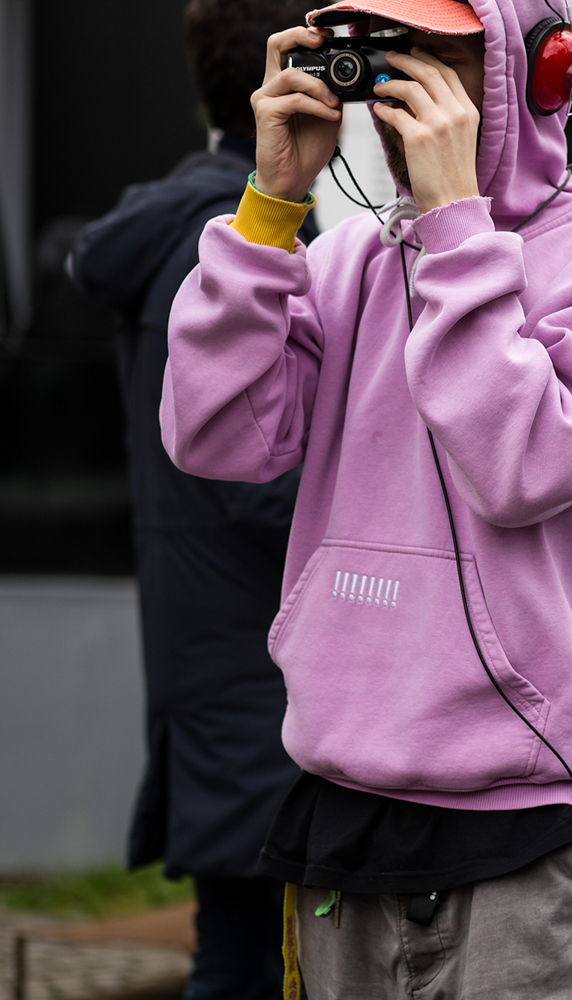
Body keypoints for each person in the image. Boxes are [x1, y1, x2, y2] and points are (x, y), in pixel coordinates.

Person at [160, 0, 572, 994]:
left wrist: (456, 231)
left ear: (538, 70)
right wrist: (270, 208)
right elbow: (214, 435)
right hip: (341, 805)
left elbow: (520, 463)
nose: (402, 83)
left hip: (529, 823)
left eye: (439, 53)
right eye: (385, 49)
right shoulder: (348, 259)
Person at [69, 2, 312, 996]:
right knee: (253, 959)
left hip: (211, 648)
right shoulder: (230, 243)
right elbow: (249, 472)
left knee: (240, 948)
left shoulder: (177, 224)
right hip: (258, 660)